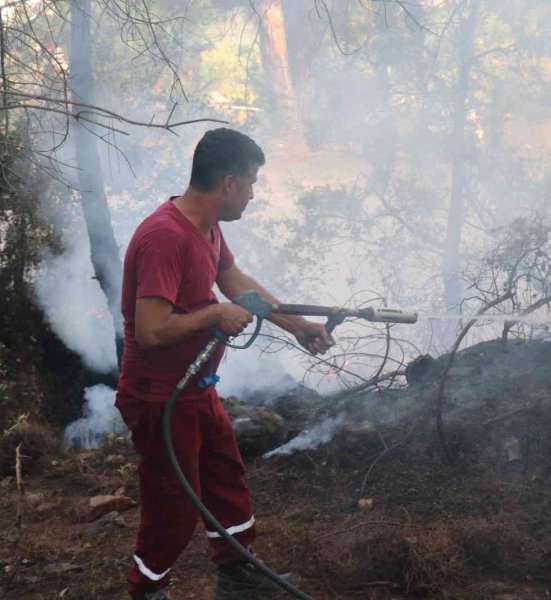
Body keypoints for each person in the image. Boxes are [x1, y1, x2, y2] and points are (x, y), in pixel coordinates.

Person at [115, 128, 334, 600]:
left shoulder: (207, 230)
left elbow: (237, 284)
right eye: (253, 183)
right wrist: (212, 314)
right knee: (173, 506)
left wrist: (298, 326)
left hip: (196, 387)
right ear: (229, 183)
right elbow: (151, 330)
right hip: (160, 397)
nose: (253, 195)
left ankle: (237, 576)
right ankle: (145, 593)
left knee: (225, 478)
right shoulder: (163, 237)